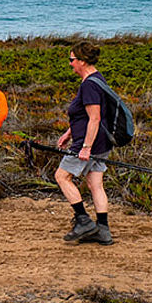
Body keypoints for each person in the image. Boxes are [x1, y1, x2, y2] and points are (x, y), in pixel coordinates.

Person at [54, 41, 114, 245]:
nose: (70, 63)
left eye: (72, 59)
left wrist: (86, 147)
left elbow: (95, 118)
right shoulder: (97, 79)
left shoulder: (89, 84)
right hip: (101, 142)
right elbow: (86, 115)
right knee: (95, 183)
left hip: (89, 142)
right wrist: (68, 133)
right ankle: (103, 231)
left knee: (62, 176)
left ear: (82, 61)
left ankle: (83, 220)